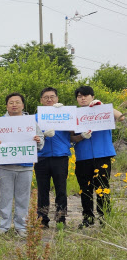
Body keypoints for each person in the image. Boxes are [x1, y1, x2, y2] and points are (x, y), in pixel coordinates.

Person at [70, 85, 125, 228]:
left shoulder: (103, 110)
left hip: (103, 155)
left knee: (103, 188)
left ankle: (105, 218)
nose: (83, 98)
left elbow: (120, 117)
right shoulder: (75, 114)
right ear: (77, 99)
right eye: (79, 96)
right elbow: (71, 136)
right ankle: (87, 218)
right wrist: (81, 136)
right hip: (83, 157)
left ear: (92, 97)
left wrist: (102, 107)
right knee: (85, 190)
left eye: (86, 95)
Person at [0, 93, 44, 236]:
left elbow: (41, 140)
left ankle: (21, 226)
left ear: (23, 105)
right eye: (11, 102)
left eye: (17, 102)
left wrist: (38, 140)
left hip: (25, 166)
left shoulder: (30, 122)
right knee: (5, 197)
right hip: (5, 166)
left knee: (23, 197)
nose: (14, 105)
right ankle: (3, 226)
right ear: (6, 105)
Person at [34, 88, 70, 229]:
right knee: (43, 190)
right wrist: (43, 134)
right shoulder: (35, 117)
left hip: (60, 156)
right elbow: (31, 136)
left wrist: (65, 113)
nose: (49, 99)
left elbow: (74, 131)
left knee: (61, 189)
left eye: (52, 97)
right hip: (41, 156)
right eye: (46, 97)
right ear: (41, 100)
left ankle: (61, 219)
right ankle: (42, 219)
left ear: (57, 98)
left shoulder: (65, 114)